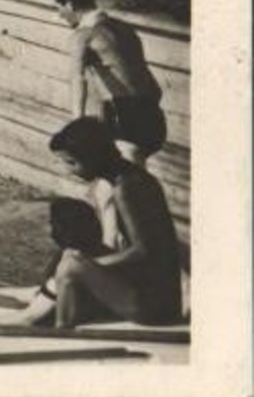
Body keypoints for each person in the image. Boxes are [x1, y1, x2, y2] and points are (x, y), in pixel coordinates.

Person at [47, 117, 182, 328]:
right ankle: (62, 313)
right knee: (71, 254)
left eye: (72, 163)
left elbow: (143, 251)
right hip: (152, 291)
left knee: (72, 265)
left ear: (93, 157)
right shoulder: (128, 177)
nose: (69, 170)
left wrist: (88, 266)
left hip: (155, 306)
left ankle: (62, 329)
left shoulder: (127, 188)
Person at [51, 0, 167, 164]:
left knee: (125, 181)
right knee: (128, 177)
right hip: (154, 118)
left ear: (69, 4)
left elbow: (77, 80)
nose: (59, 14)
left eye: (58, 8)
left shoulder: (83, 36)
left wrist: (78, 125)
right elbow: (154, 87)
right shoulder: (125, 29)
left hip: (125, 117)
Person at [0, 198, 109, 326]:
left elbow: (28, 317)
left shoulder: (73, 266)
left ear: (62, 230)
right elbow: (45, 294)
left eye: (53, 223)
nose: (49, 229)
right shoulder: (101, 254)